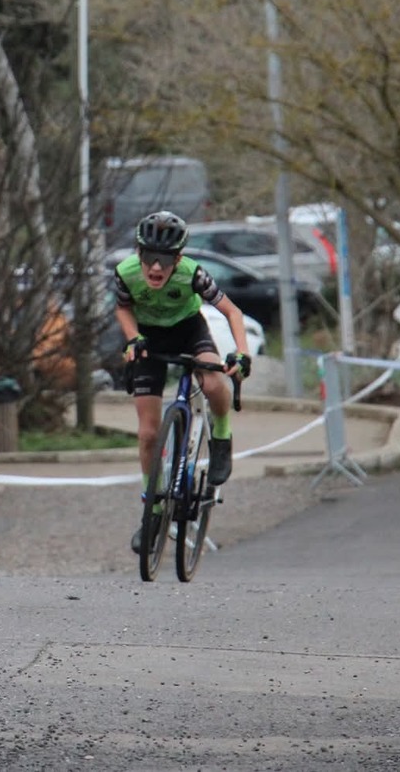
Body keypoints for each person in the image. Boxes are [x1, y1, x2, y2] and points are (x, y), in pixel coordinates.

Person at [111, 210, 252, 553]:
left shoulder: (193, 274)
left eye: (166, 259)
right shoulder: (125, 273)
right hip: (150, 338)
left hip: (189, 331)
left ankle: (221, 435)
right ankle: (153, 513)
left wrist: (242, 353)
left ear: (179, 258)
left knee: (214, 382)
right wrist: (132, 339)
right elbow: (123, 308)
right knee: (148, 434)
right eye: (149, 257)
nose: (156, 268)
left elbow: (232, 311)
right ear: (139, 253)